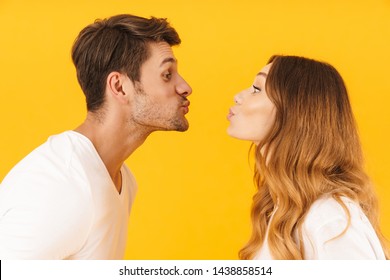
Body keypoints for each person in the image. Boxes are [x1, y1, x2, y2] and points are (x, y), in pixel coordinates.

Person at [0, 14, 192, 259]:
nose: (185, 87)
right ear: (120, 87)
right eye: (167, 74)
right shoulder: (61, 183)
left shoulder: (121, 179)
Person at [227, 55, 389, 259]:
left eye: (257, 89)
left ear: (295, 111)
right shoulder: (282, 210)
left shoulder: (330, 220)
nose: (238, 96)